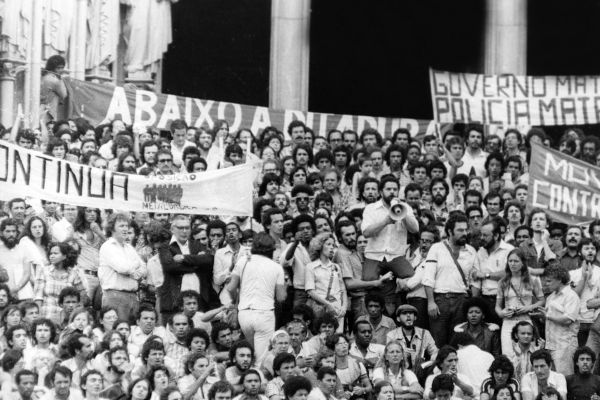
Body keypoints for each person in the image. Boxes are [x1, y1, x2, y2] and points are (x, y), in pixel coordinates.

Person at [361, 176, 419, 315]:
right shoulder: (370, 209)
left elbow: (415, 229)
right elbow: (366, 232)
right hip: (375, 254)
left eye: (395, 189)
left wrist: (403, 214)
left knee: (410, 277)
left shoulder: (406, 208)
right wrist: (386, 221)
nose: (392, 192)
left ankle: (398, 307)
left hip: (395, 255)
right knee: (369, 281)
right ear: (381, 191)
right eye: (388, 189)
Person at [226, 233, 287, 363]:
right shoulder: (277, 267)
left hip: (244, 314)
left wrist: (236, 300)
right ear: (272, 249)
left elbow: (230, 288)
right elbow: (281, 297)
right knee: (260, 360)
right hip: (264, 314)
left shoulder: (242, 261)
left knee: (249, 357)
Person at [423, 213, 477, 347]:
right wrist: (431, 302)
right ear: (449, 231)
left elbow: (475, 280)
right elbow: (428, 277)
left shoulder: (471, 251)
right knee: (438, 342)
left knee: (458, 342)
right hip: (441, 301)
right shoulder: (436, 248)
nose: (464, 233)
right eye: (460, 230)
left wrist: (472, 302)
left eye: (466, 230)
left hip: (462, 301)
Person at [158, 215, 217, 324]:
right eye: (180, 228)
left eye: (187, 228)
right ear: (172, 229)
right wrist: (196, 263)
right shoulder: (165, 247)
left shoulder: (196, 244)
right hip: (174, 302)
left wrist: (183, 258)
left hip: (198, 302)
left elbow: (208, 260)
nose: (184, 231)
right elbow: (170, 266)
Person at [495, 248, 545, 358]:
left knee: (527, 354)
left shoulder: (532, 280)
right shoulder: (503, 282)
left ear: (523, 263)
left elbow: (542, 301)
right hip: (508, 321)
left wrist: (529, 307)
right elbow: (497, 307)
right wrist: (502, 313)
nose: (513, 264)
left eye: (516, 261)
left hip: (525, 320)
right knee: (508, 355)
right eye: (510, 261)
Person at [98, 213, 147, 322]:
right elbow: (123, 268)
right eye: (121, 226)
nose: (125, 229)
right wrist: (134, 266)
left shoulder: (129, 247)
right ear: (112, 228)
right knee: (117, 332)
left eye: (126, 226)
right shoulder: (108, 246)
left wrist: (133, 271)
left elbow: (144, 267)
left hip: (133, 296)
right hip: (115, 296)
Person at [35, 242, 87, 325]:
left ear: (64, 256)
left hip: (67, 317)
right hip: (47, 315)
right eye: (51, 253)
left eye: (55, 253)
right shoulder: (44, 271)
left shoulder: (73, 273)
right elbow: (38, 297)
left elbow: (82, 295)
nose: (51, 256)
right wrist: (38, 317)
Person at [541, 263, 580, 375]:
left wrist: (547, 316)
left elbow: (568, 319)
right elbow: (549, 320)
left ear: (559, 280)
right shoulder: (550, 297)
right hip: (550, 345)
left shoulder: (571, 296)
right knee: (553, 380)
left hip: (564, 345)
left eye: (549, 281)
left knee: (565, 379)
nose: (546, 284)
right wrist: (542, 316)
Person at [305, 233, 346, 329]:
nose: (332, 247)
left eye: (333, 245)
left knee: (337, 336)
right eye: (328, 244)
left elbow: (343, 289)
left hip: (337, 308)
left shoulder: (336, 267)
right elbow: (310, 291)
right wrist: (328, 304)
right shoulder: (311, 266)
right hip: (321, 307)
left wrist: (343, 307)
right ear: (320, 246)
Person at [386, 304, 437, 381]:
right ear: (398, 319)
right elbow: (389, 356)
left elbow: (435, 352)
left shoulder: (424, 333)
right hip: (400, 373)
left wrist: (428, 363)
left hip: (421, 373)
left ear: (415, 317)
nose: (408, 315)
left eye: (411, 313)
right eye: (404, 313)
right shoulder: (392, 335)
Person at [326, 333, 371, 399]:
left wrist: (362, 390)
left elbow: (369, 387)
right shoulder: (329, 366)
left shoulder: (357, 363)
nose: (344, 346)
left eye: (345, 343)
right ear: (333, 348)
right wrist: (341, 394)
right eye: (339, 344)